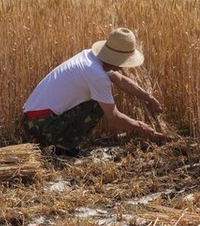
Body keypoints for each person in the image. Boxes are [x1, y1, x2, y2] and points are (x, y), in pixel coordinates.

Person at [22, 27, 167, 155]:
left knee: (101, 98)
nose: (124, 66)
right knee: (100, 104)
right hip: (40, 126)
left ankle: (63, 146)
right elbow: (114, 118)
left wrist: (148, 97)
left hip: (33, 120)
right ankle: (64, 147)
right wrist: (141, 127)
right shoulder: (96, 75)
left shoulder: (91, 57)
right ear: (116, 59)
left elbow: (121, 80)